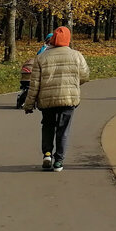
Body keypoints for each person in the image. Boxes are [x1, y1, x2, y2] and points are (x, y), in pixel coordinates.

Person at [22, 26, 90, 172]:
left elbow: (34, 84)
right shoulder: (77, 55)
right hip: (69, 99)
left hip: (47, 100)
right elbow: (84, 76)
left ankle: (47, 154)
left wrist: (28, 104)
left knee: (47, 125)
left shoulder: (41, 57)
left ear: (52, 40)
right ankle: (59, 160)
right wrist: (73, 83)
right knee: (63, 129)